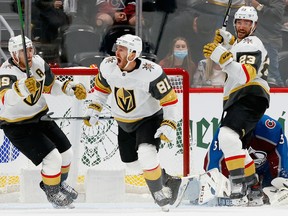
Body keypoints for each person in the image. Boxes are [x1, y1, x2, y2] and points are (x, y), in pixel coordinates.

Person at [83, 34, 181, 211]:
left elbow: (169, 100)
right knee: (132, 165)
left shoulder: (152, 72)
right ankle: (167, 179)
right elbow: (101, 91)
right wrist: (94, 108)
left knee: (146, 152)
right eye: (117, 48)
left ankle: (160, 195)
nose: (116, 52)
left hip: (148, 119)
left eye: (121, 49)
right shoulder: (107, 66)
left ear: (133, 53)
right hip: (123, 122)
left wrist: (169, 123)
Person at [0, 35, 87, 208]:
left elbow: (50, 85)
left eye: (30, 49)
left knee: (66, 154)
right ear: (14, 54)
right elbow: (5, 99)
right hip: (17, 125)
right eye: (24, 51)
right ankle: (53, 193)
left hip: (40, 116)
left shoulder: (39, 63)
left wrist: (68, 89)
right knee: (52, 158)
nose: (29, 53)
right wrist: (21, 88)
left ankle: (57, 184)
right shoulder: (6, 71)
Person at [203, 6, 270, 205]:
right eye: (239, 22)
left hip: (250, 94)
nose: (242, 26)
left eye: (247, 23)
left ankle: (238, 183)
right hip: (238, 99)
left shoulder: (253, 42)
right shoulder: (241, 43)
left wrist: (222, 56)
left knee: (226, 136)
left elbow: (246, 74)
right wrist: (228, 43)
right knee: (236, 147)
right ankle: (254, 186)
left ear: (254, 25)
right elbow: (237, 53)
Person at [203, 114, 288, 206]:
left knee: (276, 192)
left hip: (264, 171)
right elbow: (215, 162)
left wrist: (282, 180)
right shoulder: (227, 130)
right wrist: (214, 184)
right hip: (237, 173)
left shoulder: (270, 129)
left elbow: (281, 157)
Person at [250, 0, 286, 87]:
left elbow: (276, 13)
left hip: (270, 37)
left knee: (272, 69)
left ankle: (280, 87)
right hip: (259, 35)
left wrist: (259, 7)